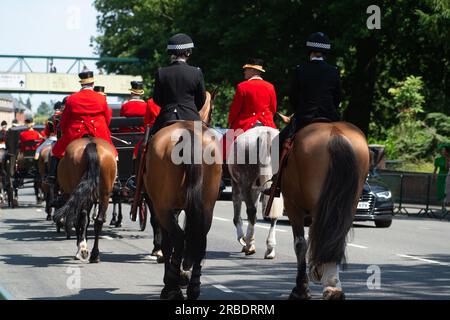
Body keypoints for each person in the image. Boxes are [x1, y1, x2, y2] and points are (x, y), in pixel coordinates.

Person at [263, 32, 342, 197]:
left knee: (278, 143)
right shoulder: (333, 71)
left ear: (310, 52)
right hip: (331, 117)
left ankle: (276, 184)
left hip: (306, 118)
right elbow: (337, 98)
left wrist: (299, 110)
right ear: (325, 53)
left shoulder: (301, 70)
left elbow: (294, 97)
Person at [46, 71, 117, 182]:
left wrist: (64, 131)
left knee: (56, 151)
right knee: (113, 153)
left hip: (75, 132)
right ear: (93, 83)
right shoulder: (101, 98)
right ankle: (115, 178)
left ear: (81, 83)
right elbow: (107, 119)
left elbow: (64, 120)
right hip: (99, 132)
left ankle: (52, 176)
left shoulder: (71, 99)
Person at [150, 33, 206, 135]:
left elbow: (157, 99)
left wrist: (168, 105)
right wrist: (190, 108)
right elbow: (201, 99)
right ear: (188, 52)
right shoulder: (196, 72)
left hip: (166, 116)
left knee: (149, 141)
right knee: (209, 143)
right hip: (191, 116)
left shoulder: (161, 72)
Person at [228, 58, 277, 132]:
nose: (244, 72)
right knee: (278, 142)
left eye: (246, 69)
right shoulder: (270, 86)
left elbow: (235, 109)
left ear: (253, 70)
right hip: (267, 123)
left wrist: (230, 121)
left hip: (245, 124)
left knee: (225, 142)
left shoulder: (242, 86)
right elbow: (273, 109)